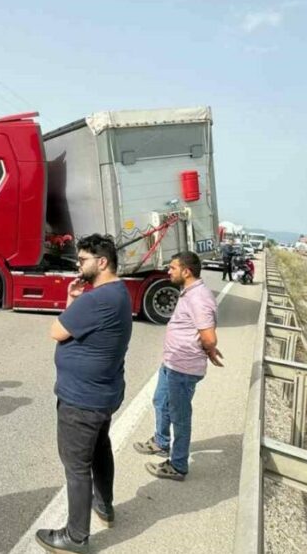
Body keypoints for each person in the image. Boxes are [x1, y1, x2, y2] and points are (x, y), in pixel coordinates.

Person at [36, 234, 132, 554]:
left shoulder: (97, 299)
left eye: (82, 260)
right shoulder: (118, 292)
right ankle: (104, 506)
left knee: (76, 465)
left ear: (101, 262)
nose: (78, 265)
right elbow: (73, 330)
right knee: (100, 450)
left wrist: (75, 300)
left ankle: (76, 537)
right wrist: (74, 298)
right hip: (102, 394)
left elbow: (57, 331)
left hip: (82, 400)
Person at [133, 252, 223, 481]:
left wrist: (209, 350)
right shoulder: (189, 292)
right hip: (172, 363)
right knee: (160, 401)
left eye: (172, 268)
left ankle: (178, 465)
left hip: (183, 368)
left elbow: (209, 337)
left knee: (180, 417)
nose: (168, 271)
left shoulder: (199, 298)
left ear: (186, 271)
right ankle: (161, 442)